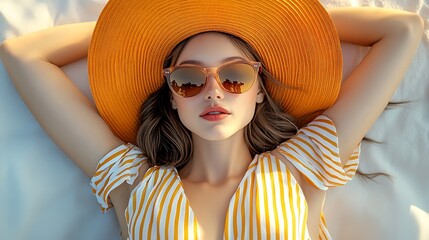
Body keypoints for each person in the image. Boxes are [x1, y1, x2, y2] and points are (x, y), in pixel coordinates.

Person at [0, 0, 423, 239]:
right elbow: (23, 56)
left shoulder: (302, 167)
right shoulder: (135, 184)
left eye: (235, 75)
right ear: (172, 98)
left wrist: (280, 23)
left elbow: (402, 30)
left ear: (259, 91)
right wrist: (134, 32)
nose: (213, 91)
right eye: (187, 80)